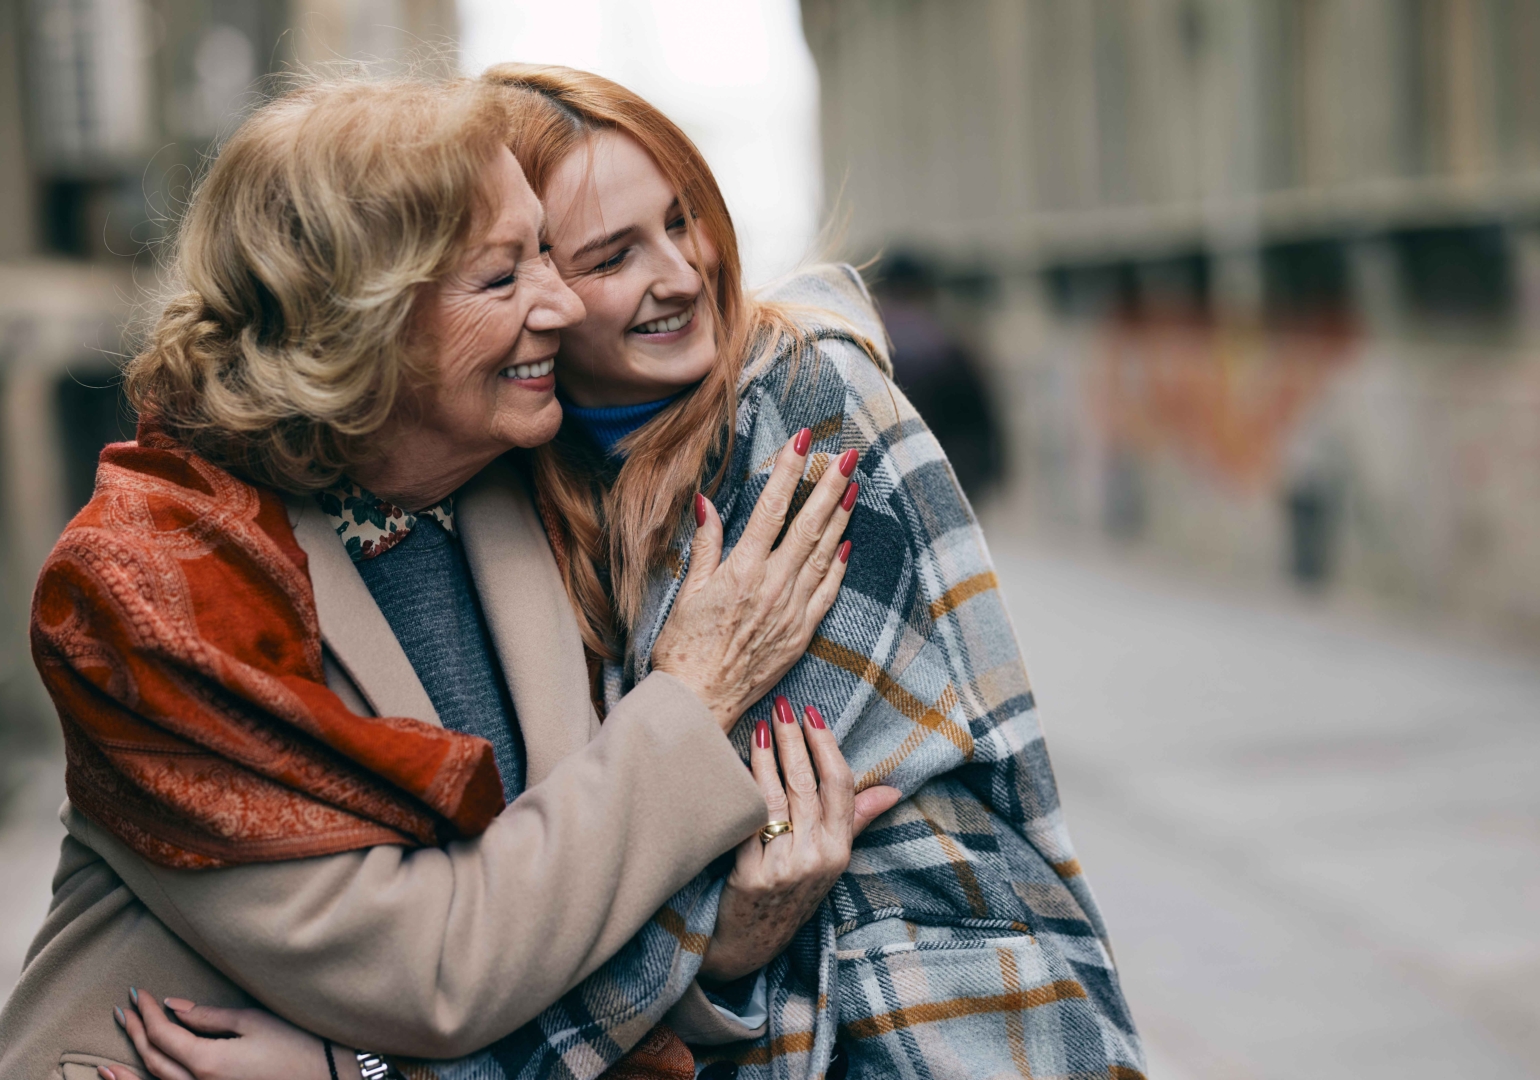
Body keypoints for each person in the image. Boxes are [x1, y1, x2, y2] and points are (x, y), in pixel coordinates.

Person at [117, 66, 1147, 1079]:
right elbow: (601, 893)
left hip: (937, 1019)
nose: (683, 273)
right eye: (603, 255)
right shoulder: (525, 484)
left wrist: (370, 1074)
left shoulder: (795, 413)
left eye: (682, 218)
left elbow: (677, 892)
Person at [0, 72, 898, 1080]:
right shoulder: (153, 585)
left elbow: (565, 914)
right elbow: (435, 970)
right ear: (360, 329)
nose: (559, 304)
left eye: (548, 259)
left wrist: (718, 944)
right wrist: (693, 696)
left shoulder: (519, 485)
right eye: (503, 277)